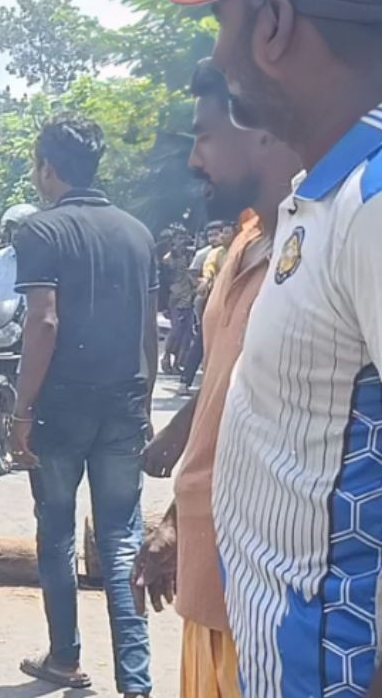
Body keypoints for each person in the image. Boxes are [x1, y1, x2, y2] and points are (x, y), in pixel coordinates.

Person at [165, 0, 382, 693]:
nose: (218, 54)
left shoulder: (375, 201)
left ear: (275, 26)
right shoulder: (320, 201)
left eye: (223, 19)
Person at [136, 61, 301, 698]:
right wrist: (178, 508)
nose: (195, 161)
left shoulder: (327, 243)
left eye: (204, 137)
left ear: (261, 129)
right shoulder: (248, 240)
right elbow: (227, 373)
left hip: (275, 588)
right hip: (210, 569)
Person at [8, 116, 157, 697]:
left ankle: (65, 659)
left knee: (58, 533)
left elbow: (43, 322)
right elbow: (149, 328)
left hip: (60, 409)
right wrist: (143, 403)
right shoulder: (137, 233)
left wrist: (21, 413)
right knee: (122, 537)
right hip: (122, 403)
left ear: (48, 167)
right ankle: (137, 682)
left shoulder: (40, 233)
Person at [178, 220, 236, 391]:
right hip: (215, 301)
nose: (222, 237)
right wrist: (204, 281)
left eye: (225, 233)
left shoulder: (241, 251)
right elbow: (207, 270)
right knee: (202, 340)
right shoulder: (215, 253)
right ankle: (185, 380)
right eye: (221, 233)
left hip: (235, 302)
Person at [0, 204, 38, 303]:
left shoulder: (45, 259)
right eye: (12, 228)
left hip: (32, 317)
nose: (16, 233)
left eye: (21, 228)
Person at [160, 233, 196, 377]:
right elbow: (164, 281)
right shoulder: (169, 259)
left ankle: (178, 362)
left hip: (189, 296)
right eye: (179, 238)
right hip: (176, 298)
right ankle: (166, 358)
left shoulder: (189, 256)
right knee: (176, 331)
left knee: (186, 334)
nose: (182, 241)